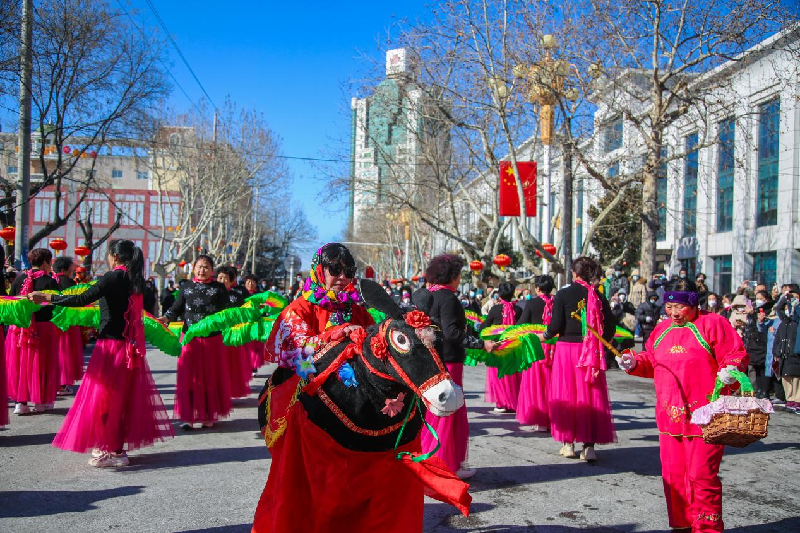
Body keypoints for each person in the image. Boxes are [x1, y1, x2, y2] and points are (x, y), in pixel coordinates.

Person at [616, 279, 748, 532]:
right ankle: (682, 526)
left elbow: (735, 354)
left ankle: (707, 528)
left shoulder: (713, 323)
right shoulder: (662, 328)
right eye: (669, 306)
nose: (674, 313)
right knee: (674, 478)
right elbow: (651, 360)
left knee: (702, 476)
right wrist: (633, 362)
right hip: (669, 415)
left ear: (693, 304)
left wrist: (731, 369)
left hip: (706, 416)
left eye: (680, 307)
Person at [29, 240, 174, 467]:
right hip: (129, 347)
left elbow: (82, 299)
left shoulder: (114, 276)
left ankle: (105, 449)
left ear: (114, 257)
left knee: (104, 399)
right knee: (120, 400)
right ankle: (118, 450)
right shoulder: (136, 281)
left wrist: (47, 298)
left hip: (111, 347)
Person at [412, 254, 495, 479]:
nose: (459, 279)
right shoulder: (448, 298)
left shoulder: (425, 295)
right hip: (448, 361)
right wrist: (481, 343)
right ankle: (446, 464)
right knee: (448, 411)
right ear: (452, 276)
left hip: (431, 360)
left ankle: (431, 462)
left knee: (433, 412)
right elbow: (452, 333)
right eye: (458, 275)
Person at [539, 257, 616, 462]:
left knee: (567, 394)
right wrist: (598, 345)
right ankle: (589, 447)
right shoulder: (597, 295)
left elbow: (555, 325)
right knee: (590, 395)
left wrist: (544, 337)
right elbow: (610, 327)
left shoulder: (563, 294)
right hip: (590, 351)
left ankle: (568, 444)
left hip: (566, 351)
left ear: (574, 273)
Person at [161, 255, 232, 429]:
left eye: (206, 267)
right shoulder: (187, 287)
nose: (202, 270)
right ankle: (189, 416)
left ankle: (208, 414)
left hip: (212, 340)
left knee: (209, 377)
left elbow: (227, 313)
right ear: (194, 268)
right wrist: (166, 317)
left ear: (212, 270)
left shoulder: (219, 288)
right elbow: (177, 307)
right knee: (189, 377)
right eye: (199, 267)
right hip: (189, 339)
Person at [7, 249, 60, 415]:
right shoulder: (50, 281)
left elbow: (12, 302)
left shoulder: (19, 279)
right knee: (43, 364)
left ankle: (20, 403)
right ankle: (41, 401)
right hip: (43, 328)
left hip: (19, 328)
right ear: (45, 262)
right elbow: (57, 305)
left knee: (20, 365)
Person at [516, 274, 555, 432]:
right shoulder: (557, 301)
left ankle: (540, 420)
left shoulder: (532, 303)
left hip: (535, 347)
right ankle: (555, 417)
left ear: (537, 288)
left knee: (536, 384)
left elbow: (521, 324)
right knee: (553, 383)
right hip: (555, 348)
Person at [480, 282, 522, 414]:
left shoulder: (495, 309)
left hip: (497, 347)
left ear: (499, 294)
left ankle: (501, 403)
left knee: (498, 376)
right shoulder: (519, 310)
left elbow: (484, 327)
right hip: (513, 347)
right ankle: (513, 402)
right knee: (514, 376)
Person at [217, 265, 252, 399]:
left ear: (231, 281)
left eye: (225, 278)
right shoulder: (210, 293)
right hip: (215, 334)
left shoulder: (236, 296)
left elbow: (244, 314)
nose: (222, 280)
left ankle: (229, 391)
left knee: (230, 365)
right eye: (220, 277)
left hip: (232, 335)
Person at [51, 256, 84, 396]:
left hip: (52, 322)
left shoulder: (51, 281)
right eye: (72, 266)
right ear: (64, 269)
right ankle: (62, 384)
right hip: (67, 322)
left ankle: (55, 383)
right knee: (65, 352)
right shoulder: (69, 283)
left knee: (55, 352)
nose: (74, 269)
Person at [242, 273, 267, 374]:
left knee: (255, 346)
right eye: (248, 281)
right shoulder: (241, 294)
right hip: (244, 323)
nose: (250, 283)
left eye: (252, 281)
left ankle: (253, 365)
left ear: (256, 284)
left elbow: (265, 309)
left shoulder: (260, 295)